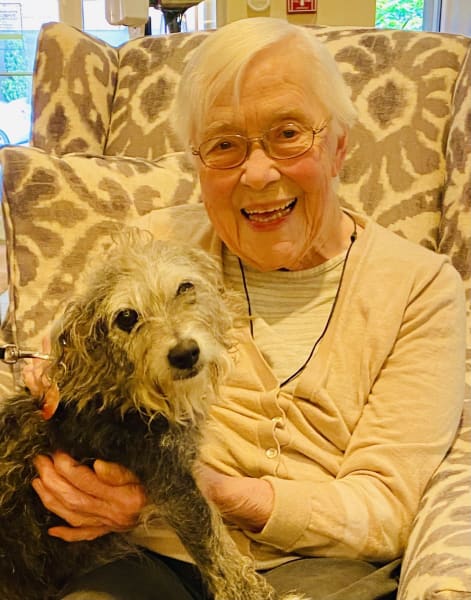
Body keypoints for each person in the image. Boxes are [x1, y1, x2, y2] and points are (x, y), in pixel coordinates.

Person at [25, 17, 466, 600]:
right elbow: (63, 366)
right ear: (198, 163)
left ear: (338, 147)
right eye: (225, 146)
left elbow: (386, 508)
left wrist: (197, 491)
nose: (258, 174)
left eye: (288, 134)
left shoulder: (420, 287)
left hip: (316, 566)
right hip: (147, 554)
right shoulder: (155, 243)